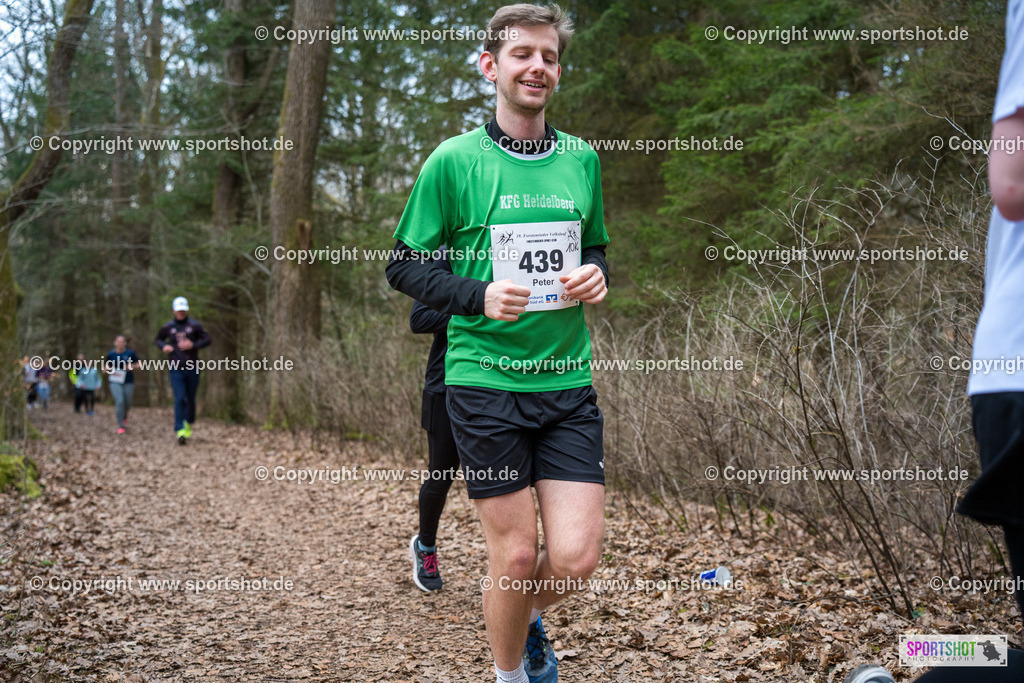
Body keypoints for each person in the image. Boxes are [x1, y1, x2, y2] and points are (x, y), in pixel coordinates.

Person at [386, 6, 610, 681]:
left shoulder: (582, 158)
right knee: (513, 556)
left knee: (575, 559)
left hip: (566, 382)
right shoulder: (453, 161)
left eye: (549, 56)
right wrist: (476, 294)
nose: (537, 67)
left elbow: (594, 246)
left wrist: (596, 272)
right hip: (484, 379)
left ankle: (520, 613)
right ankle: (510, 673)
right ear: (490, 66)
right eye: (522, 55)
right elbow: (403, 265)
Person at [408, 249, 461, 592]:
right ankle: (425, 546)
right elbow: (419, 319)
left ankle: (509, 564)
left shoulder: (514, 253)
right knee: (441, 475)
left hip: (502, 386)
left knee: (504, 481)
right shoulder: (448, 257)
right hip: (445, 387)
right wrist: (480, 304)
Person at [155, 297, 210, 445]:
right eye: (178, 310)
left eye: (183, 310)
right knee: (180, 397)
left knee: (190, 398)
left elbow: (207, 339)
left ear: (186, 310)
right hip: (175, 367)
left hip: (192, 366)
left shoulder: (194, 325)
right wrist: (163, 346)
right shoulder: (169, 326)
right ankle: (180, 428)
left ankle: (188, 421)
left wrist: (193, 345)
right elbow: (158, 339)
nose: (181, 312)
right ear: (174, 310)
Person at [105, 335, 139, 434]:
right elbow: (107, 365)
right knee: (120, 401)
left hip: (128, 381)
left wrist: (132, 366)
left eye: (122, 341)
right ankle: (121, 425)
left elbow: (140, 364)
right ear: (115, 343)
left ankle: (124, 416)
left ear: (125, 343)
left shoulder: (130, 353)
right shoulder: (111, 354)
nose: (120, 343)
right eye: (118, 341)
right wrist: (106, 369)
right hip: (114, 381)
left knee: (127, 403)